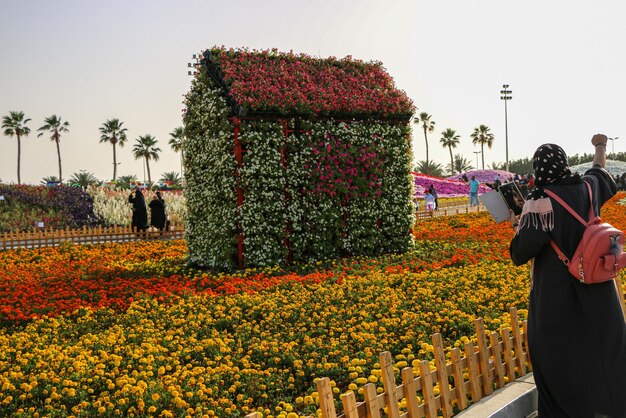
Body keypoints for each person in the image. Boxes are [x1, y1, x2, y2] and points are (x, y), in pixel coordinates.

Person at [509, 135, 626, 417]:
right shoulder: (588, 187)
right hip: (598, 290)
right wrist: (600, 146)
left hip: (557, 299)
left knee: (557, 360)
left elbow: (520, 252)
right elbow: (599, 169)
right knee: (604, 354)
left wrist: (517, 222)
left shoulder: (539, 201)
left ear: (538, 170)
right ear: (562, 163)